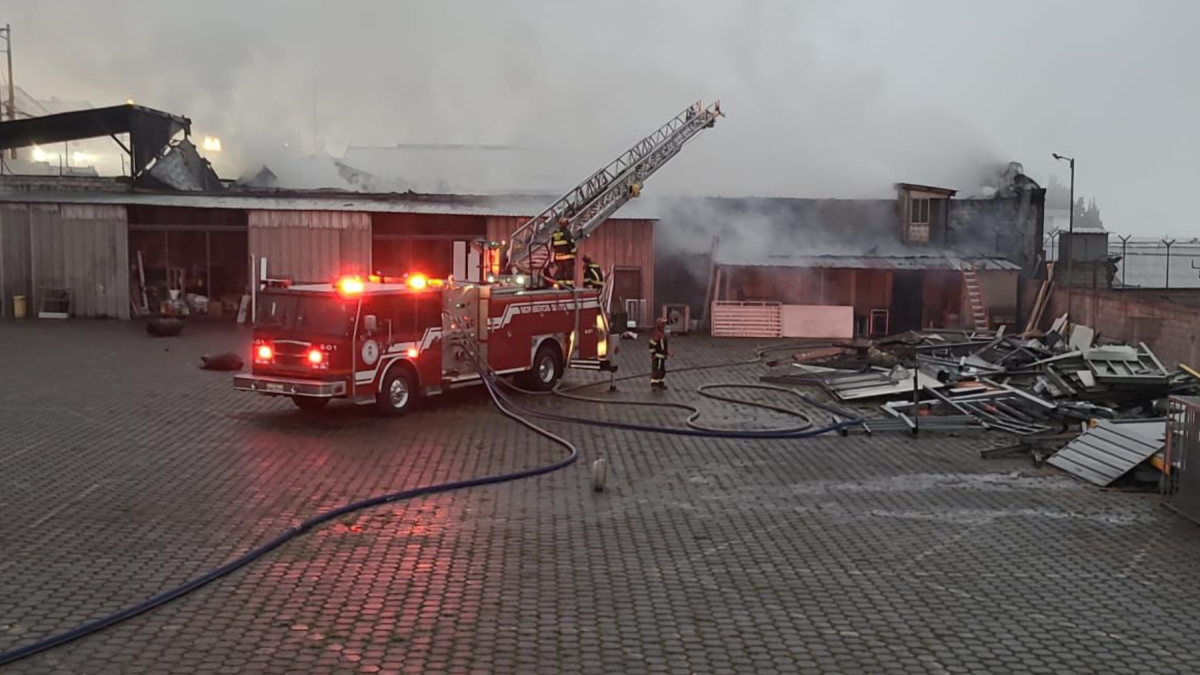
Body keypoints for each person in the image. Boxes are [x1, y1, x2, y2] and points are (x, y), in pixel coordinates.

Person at [649, 318, 671, 391]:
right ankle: (654, 384)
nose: (664, 326)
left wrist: (667, 352)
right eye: (663, 324)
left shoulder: (662, 334)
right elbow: (652, 345)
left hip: (662, 356)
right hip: (657, 356)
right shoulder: (657, 334)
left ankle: (661, 383)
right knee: (657, 370)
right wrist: (653, 354)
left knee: (662, 370)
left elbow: (663, 346)